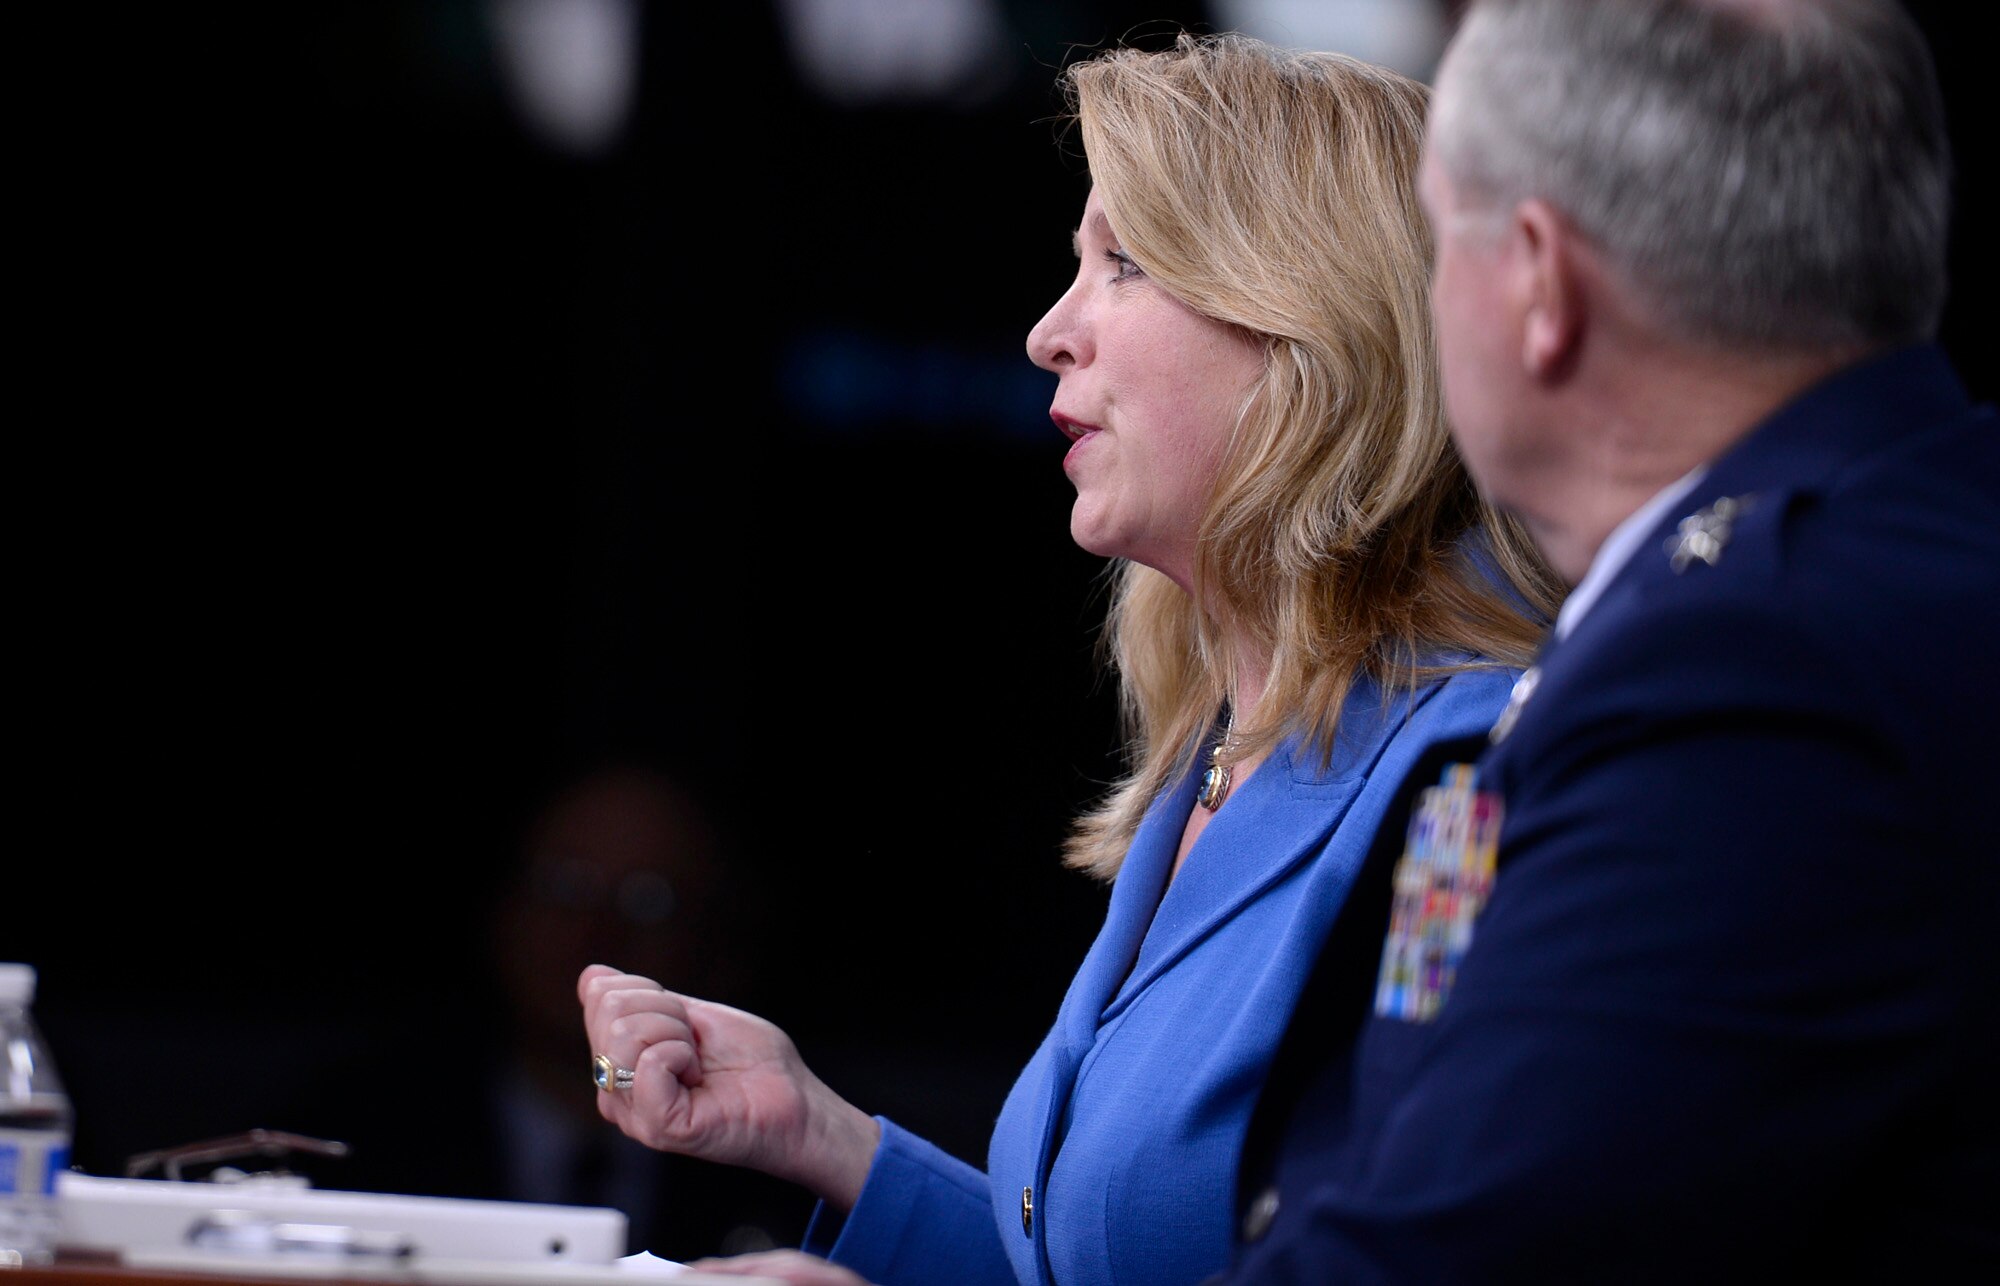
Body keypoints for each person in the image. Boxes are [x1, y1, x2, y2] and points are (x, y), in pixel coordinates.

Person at [579, 32, 1560, 1286]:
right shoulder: (1209, 758)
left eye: (1125, 264)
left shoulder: (1470, 790)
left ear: (1310, 318)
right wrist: (824, 1137)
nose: (1050, 331)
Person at [1213, 0, 2000, 1279]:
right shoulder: (1893, 550)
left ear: (1537, 281)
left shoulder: (1749, 675)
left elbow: (1472, 1246)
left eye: (1434, 233)